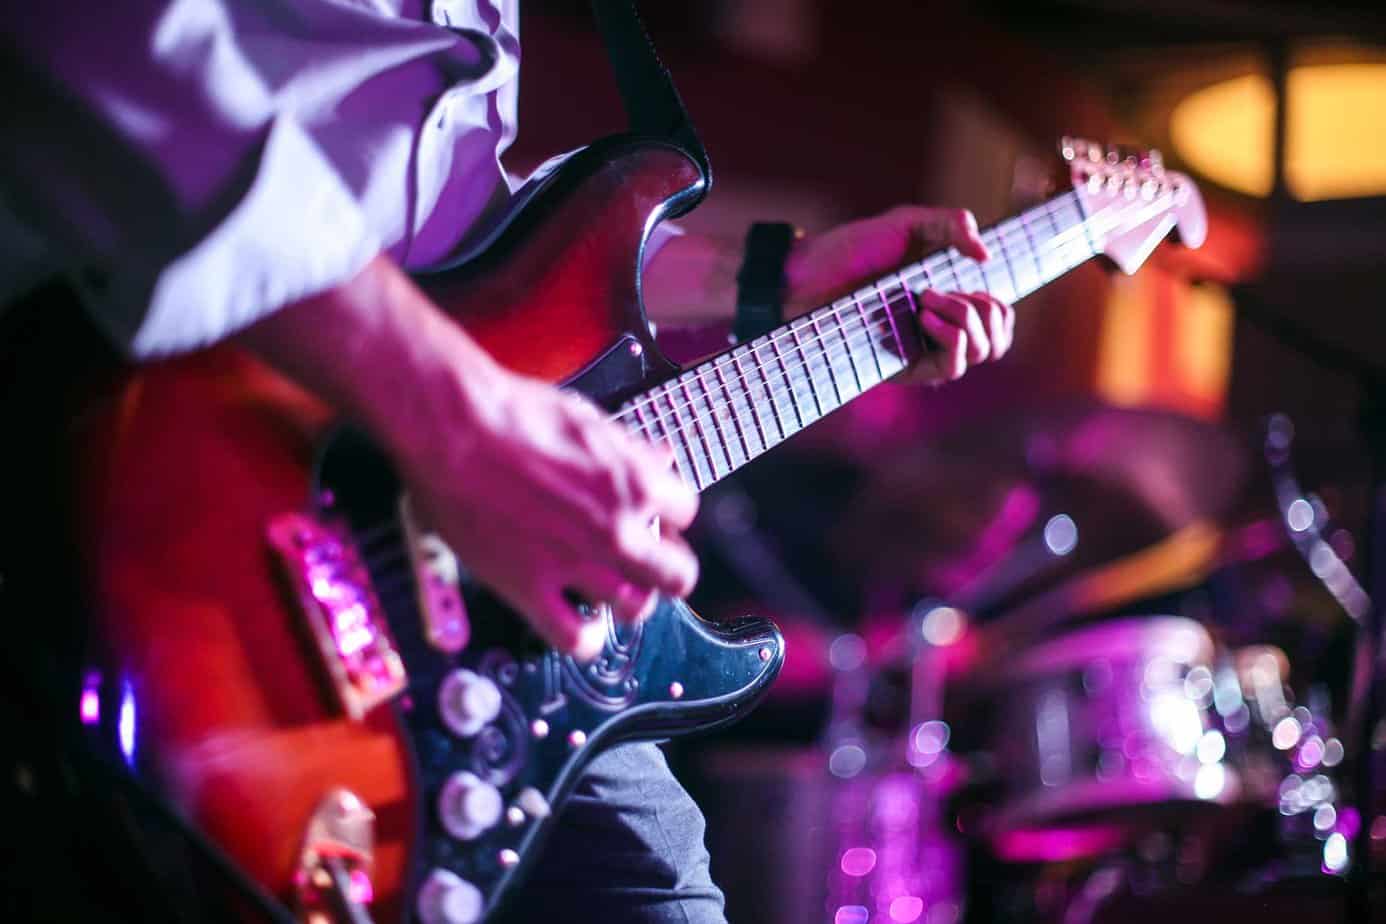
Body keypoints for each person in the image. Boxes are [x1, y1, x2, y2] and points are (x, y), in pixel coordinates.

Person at [1, 2, 1014, 921]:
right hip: (159, 452)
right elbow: (92, 45)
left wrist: (779, 277)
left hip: (450, 595)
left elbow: (469, 243)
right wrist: (454, 414)